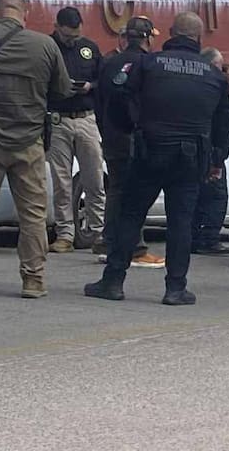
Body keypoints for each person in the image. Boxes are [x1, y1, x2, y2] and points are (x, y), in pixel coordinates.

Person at [84, 12, 229, 306]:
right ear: (199, 37)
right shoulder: (213, 74)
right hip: (192, 156)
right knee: (180, 221)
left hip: (150, 149)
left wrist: (130, 128)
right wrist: (217, 159)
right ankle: (175, 288)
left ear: (170, 33)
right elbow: (224, 120)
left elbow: (118, 94)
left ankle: (113, 281)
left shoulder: (147, 64)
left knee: (131, 214)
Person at [0, 0, 71, 298]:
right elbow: (63, 91)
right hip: (29, 142)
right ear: (24, 12)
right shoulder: (45, 45)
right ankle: (33, 279)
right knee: (33, 215)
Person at [94, 16, 165, 269]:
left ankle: (109, 241)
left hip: (111, 135)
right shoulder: (148, 64)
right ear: (146, 38)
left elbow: (98, 100)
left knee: (115, 190)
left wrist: (106, 129)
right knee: (135, 195)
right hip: (135, 137)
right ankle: (135, 247)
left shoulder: (108, 63)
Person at [46, 6, 106, 254]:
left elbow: (104, 79)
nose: (73, 39)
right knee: (62, 181)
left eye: (77, 35)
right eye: (69, 36)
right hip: (58, 119)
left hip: (86, 118)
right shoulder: (48, 47)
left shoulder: (89, 48)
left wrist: (90, 86)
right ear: (57, 27)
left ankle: (99, 232)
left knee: (94, 178)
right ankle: (65, 234)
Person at [190, 47, 229, 256]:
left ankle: (193, 237)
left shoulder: (192, 84)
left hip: (191, 148)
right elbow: (223, 124)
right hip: (210, 150)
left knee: (193, 194)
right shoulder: (217, 86)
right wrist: (219, 156)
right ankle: (209, 238)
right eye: (220, 65)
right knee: (216, 195)